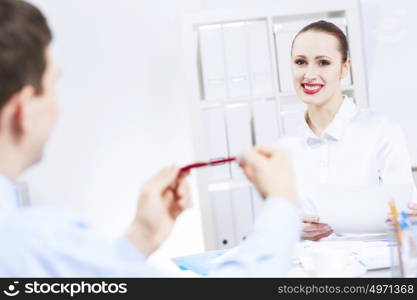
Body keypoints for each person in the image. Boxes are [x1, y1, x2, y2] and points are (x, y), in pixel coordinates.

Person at [0, 0, 300, 277]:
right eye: (53, 86)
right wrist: (281, 203)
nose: (57, 106)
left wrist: (142, 235)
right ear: (23, 110)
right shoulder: (30, 242)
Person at [276, 20, 417, 241]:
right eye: (300, 62)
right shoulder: (285, 148)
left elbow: (406, 218)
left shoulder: (382, 131)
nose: (309, 74)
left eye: (323, 62)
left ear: (344, 68)